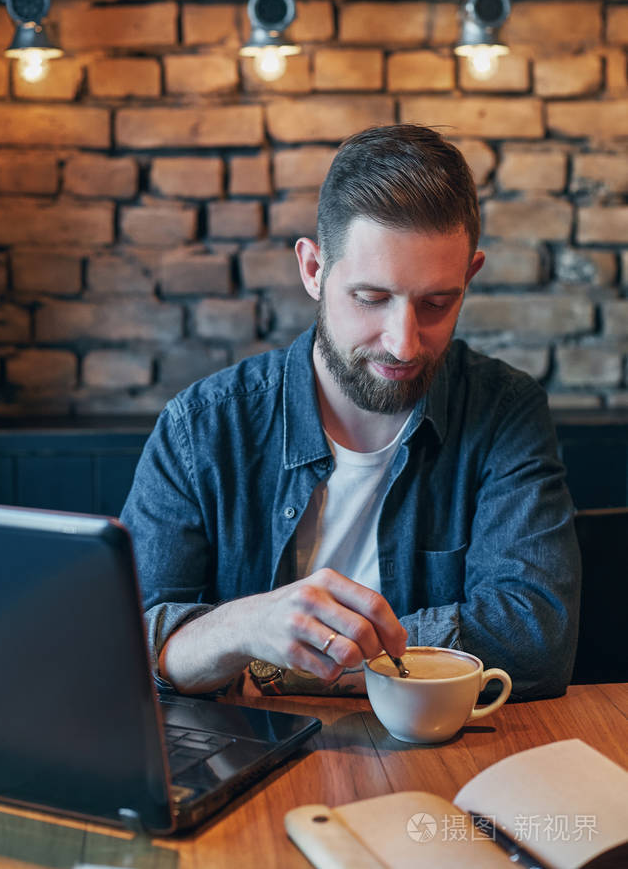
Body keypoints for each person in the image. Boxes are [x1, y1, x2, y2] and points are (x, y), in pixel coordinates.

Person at [121, 124, 580, 701]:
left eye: (437, 304)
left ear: (470, 275)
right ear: (313, 270)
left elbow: (537, 639)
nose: (404, 344)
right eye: (371, 299)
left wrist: (278, 665)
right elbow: (122, 644)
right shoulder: (203, 428)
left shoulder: (505, 411)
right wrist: (246, 626)